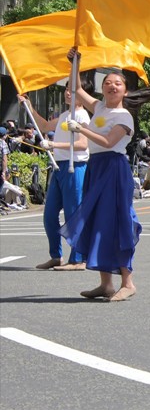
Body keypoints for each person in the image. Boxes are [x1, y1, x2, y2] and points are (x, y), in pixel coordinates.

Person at [60, 63, 142, 301]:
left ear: (125, 90)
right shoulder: (99, 107)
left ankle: (128, 283)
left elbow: (108, 142)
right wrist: (75, 63)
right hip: (95, 168)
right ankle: (106, 284)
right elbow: (76, 88)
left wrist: (82, 129)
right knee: (98, 222)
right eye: (107, 83)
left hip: (113, 169)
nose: (112, 86)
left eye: (117, 83)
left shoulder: (124, 116)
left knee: (117, 222)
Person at [20, 79, 92, 271]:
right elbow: (44, 126)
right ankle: (56, 256)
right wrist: (29, 105)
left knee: (73, 214)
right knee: (49, 215)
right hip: (60, 167)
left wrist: (53, 145)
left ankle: (78, 258)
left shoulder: (82, 116)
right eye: (67, 89)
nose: (68, 93)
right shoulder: (64, 115)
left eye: (72, 90)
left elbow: (82, 144)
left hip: (75, 166)